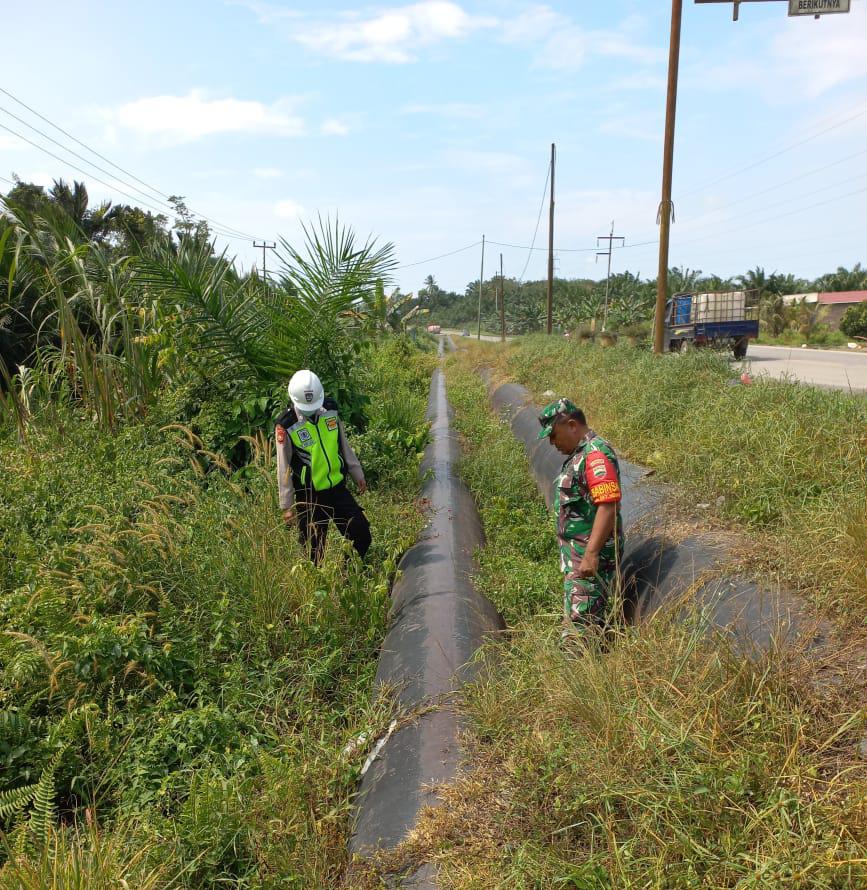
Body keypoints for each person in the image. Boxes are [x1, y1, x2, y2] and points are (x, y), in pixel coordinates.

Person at [537, 398, 624, 634]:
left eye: (553, 435)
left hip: (589, 561)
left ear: (572, 425)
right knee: (582, 624)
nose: (552, 442)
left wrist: (591, 554)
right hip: (578, 558)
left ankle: (577, 667)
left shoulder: (595, 456)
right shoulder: (579, 455)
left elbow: (608, 504)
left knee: (579, 633)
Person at [275, 369, 371, 565]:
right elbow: (282, 467)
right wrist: (287, 505)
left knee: (361, 534)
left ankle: (347, 577)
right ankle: (320, 591)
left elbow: (343, 445)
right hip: (309, 496)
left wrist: (357, 473)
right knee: (314, 553)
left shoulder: (330, 410)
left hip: (337, 489)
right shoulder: (287, 424)